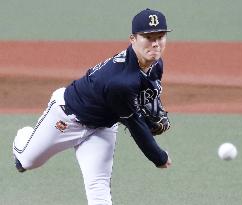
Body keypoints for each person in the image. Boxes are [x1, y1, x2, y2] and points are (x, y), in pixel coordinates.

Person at [12, 8, 172, 205]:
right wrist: (159, 156)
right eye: (148, 37)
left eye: (160, 36)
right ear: (133, 39)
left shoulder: (156, 63)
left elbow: (148, 92)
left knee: (98, 186)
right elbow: (135, 124)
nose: (155, 43)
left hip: (102, 126)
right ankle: (26, 137)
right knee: (28, 161)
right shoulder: (120, 82)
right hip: (66, 117)